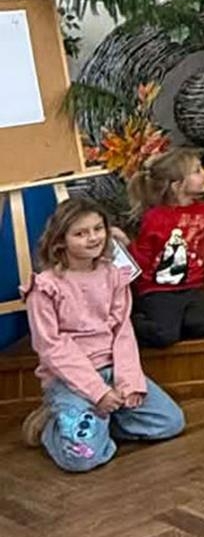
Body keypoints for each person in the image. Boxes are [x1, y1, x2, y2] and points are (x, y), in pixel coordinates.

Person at [21, 199, 185, 472]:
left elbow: (122, 331)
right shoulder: (45, 287)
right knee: (81, 458)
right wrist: (98, 393)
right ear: (60, 241)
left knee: (170, 422)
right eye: (80, 233)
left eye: (98, 229)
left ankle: (99, 424)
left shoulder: (113, 275)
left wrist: (129, 381)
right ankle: (51, 425)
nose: (93, 238)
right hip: (71, 378)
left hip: (113, 369)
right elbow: (51, 348)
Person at [125, 148, 204, 348]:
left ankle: (173, 320)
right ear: (177, 185)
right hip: (158, 289)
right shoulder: (154, 217)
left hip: (192, 287)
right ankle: (133, 323)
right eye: (197, 171)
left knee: (203, 327)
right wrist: (135, 284)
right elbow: (143, 257)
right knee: (165, 336)